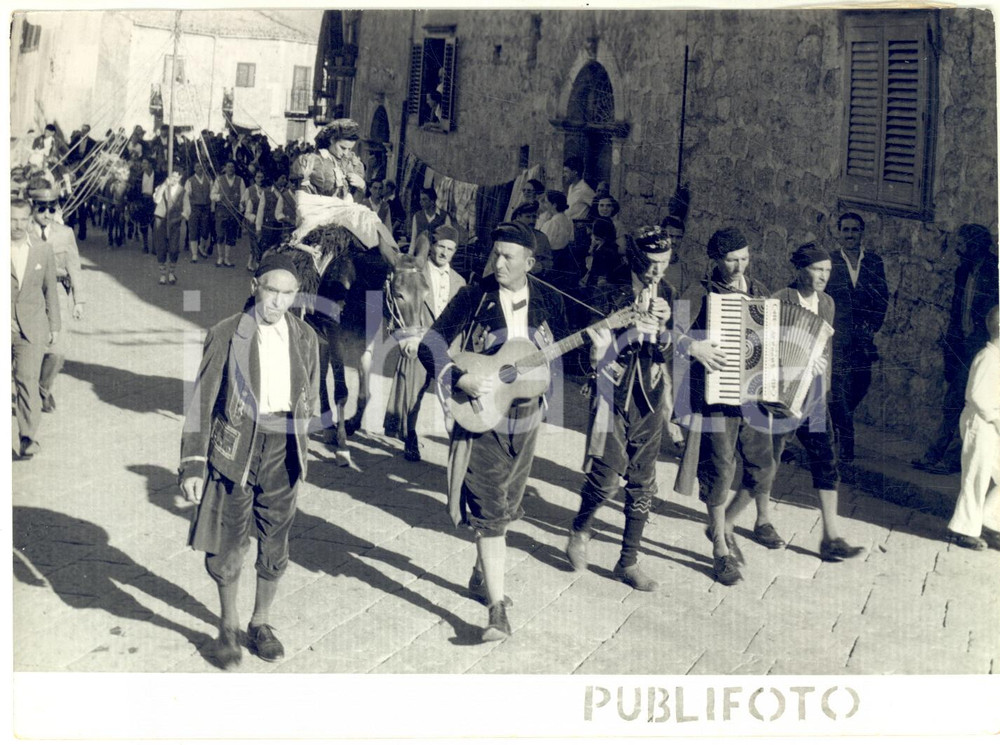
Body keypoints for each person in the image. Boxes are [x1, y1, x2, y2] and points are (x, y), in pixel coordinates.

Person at [418, 222, 566, 641]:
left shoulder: (549, 298)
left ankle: (481, 573)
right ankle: (496, 610)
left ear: (529, 263)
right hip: (481, 409)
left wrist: (598, 345)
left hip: (527, 414)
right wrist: (454, 378)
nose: (497, 263)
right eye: (495, 254)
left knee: (508, 503)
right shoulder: (475, 295)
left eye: (508, 257)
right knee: (491, 510)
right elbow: (431, 341)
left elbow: (569, 350)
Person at [180, 253, 320, 669]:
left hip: (283, 450)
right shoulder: (227, 333)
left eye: (287, 294)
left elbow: (308, 394)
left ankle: (260, 622)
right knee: (228, 537)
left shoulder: (307, 337)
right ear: (254, 286)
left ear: (297, 296)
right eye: (270, 291)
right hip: (236, 447)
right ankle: (227, 624)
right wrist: (193, 462)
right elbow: (203, 399)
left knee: (276, 536)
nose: (277, 302)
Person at [723, 243, 864, 561]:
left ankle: (831, 537)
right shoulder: (779, 299)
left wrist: (819, 371)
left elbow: (823, 348)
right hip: (778, 396)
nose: (823, 276)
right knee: (767, 463)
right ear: (801, 270)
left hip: (813, 395)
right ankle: (738, 523)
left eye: (827, 271)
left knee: (826, 459)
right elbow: (759, 349)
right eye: (817, 269)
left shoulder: (827, 303)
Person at [566, 225, 676, 591]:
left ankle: (627, 561)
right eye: (651, 263)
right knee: (605, 478)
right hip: (611, 392)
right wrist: (598, 353)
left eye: (664, 262)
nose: (658, 271)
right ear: (636, 259)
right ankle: (581, 527)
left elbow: (669, 354)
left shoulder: (670, 294)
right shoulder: (607, 291)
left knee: (644, 481)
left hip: (651, 397)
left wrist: (662, 330)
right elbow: (586, 350)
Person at [673, 227, 774, 585]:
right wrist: (693, 346)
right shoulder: (699, 292)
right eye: (732, 259)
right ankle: (719, 546)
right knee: (719, 468)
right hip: (715, 396)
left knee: (763, 465)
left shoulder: (759, 292)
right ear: (716, 259)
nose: (739, 266)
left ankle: (731, 522)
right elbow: (673, 331)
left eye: (744, 258)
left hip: (753, 396)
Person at [915, 225, 1000, 475]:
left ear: (976, 247)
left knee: (967, 400)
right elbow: (957, 305)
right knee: (952, 400)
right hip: (960, 343)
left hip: (979, 345)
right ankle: (936, 452)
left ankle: (950, 458)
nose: (958, 250)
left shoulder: (993, 272)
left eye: (962, 245)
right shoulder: (963, 270)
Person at [385, 225, 467, 461]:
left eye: (450, 249)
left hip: (448, 345)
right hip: (422, 342)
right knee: (415, 393)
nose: (444, 253)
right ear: (432, 246)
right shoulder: (417, 276)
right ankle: (410, 435)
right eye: (441, 246)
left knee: (450, 396)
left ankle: (456, 443)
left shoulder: (459, 281)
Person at [825, 212, 889, 466]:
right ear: (838, 233)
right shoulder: (829, 262)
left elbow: (882, 296)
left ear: (862, 233)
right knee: (839, 389)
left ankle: (838, 423)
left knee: (862, 383)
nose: (850, 234)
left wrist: (872, 326)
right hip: (836, 339)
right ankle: (846, 443)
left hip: (862, 339)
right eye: (846, 230)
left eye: (855, 230)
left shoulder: (873, 261)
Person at [10, 197, 61, 459]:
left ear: (29, 220)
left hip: (31, 326)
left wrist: (54, 325)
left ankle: (27, 437)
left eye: (22, 219)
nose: (17, 225)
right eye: (11, 219)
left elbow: (49, 289)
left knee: (27, 380)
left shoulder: (42, 250)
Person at [946, 305, 1000, 550]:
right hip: (979, 424)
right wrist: (995, 418)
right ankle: (963, 529)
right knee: (975, 476)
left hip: (992, 425)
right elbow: (977, 396)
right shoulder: (988, 357)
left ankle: (990, 520)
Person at [29, 185, 85, 414]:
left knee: (58, 349)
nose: (46, 214)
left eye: (51, 209)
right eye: (41, 209)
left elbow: (74, 267)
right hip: (29, 295)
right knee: (32, 347)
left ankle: (42, 388)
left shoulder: (65, 233)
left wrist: (78, 300)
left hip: (58, 294)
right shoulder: (20, 234)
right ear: (33, 208)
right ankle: (32, 392)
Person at [152, 169, 190, 285]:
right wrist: (164, 185)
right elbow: (157, 199)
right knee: (161, 247)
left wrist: (179, 218)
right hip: (161, 219)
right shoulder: (162, 187)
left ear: (180, 178)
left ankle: (171, 273)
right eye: (171, 177)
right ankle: (163, 275)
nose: (173, 179)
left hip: (174, 221)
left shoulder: (183, 191)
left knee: (174, 248)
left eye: (176, 177)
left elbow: (187, 209)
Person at [211, 161, 245, 268]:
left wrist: (240, 208)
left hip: (233, 212)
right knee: (220, 235)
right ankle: (220, 257)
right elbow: (212, 195)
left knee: (231, 235)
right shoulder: (219, 179)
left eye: (232, 167)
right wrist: (218, 197)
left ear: (235, 168)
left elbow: (243, 197)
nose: (230, 168)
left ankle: (227, 258)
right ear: (225, 168)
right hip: (222, 210)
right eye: (228, 166)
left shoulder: (240, 180)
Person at [536, 190, 575, 284]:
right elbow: (571, 239)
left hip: (552, 259)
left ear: (554, 205)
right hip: (563, 257)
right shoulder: (568, 220)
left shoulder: (552, 223)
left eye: (546, 202)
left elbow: (544, 244)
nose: (544, 205)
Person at [185, 161, 213, 262]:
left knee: (205, 230)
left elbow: (212, 194)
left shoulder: (208, 180)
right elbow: (186, 196)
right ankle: (194, 254)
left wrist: (212, 207)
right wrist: (187, 210)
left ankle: (201, 247)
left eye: (201, 167)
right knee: (193, 229)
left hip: (206, 207)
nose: (200, 169)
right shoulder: (190, 181)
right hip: (194, 208)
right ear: (194, 169)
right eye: (197, 167)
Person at [562, 156, 595, 221]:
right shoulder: (571, 187)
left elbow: (597, 207)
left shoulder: (585, 189)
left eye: (566, 172)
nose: (563, 175)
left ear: (575, 172)